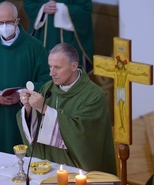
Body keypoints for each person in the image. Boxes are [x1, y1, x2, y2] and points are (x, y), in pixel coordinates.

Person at [17, 43, 117, 175]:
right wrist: (29, 108)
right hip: (48, 165)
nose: (51, 73)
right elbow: (35, 124)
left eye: (57, 67)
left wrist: (45, 109)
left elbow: (84, 135)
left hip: (77, 169)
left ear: (74, 66)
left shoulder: (94, 95)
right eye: (50, 66)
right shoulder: (48, 88)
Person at [0, 1, 51, 154]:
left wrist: (21, 93)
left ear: (17, 21)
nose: (4, 26)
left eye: (9, 22)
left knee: (24, 156)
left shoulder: (34, 47)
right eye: (0, 22)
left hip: (25, 112)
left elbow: (47, 80)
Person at [23, 0, 94, 73]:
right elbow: (29, 3)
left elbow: (85, 9)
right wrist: (42, 8)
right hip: (42, 33)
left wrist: (61, 8)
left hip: (68, 35)